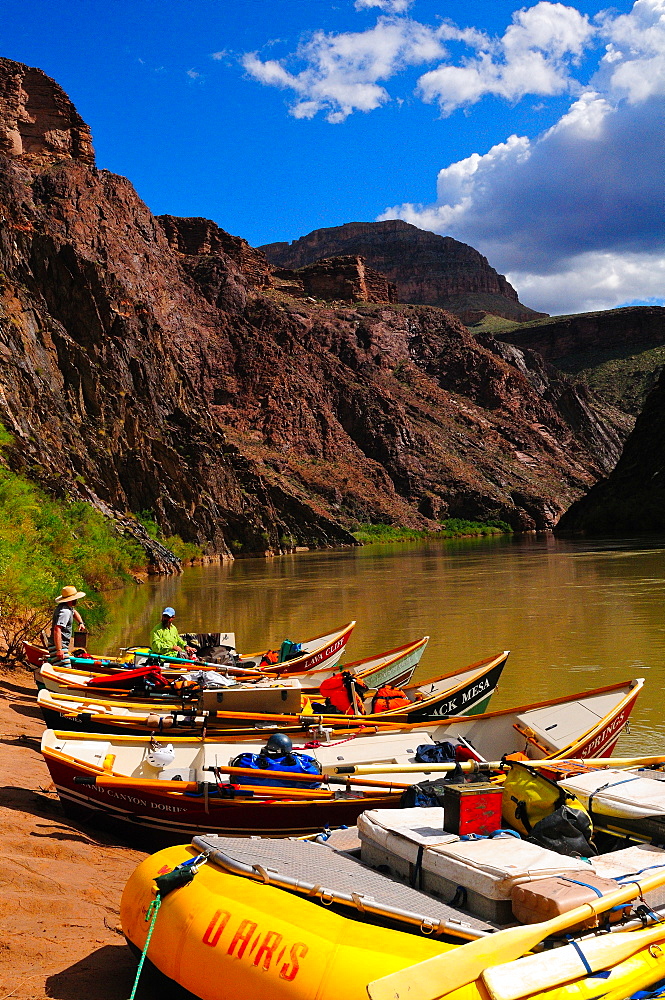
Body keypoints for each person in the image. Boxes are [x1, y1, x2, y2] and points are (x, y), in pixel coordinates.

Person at [49, 586, 87, 668]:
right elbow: (57, 629)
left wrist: (80, 623)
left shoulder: (68, 608)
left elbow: (74, 612)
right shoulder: (65, 612)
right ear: (72, 599)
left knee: (62, 670)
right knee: (65, 670)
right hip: (58, 645)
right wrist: (59, 650)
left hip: (60, 645)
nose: (76, 600)